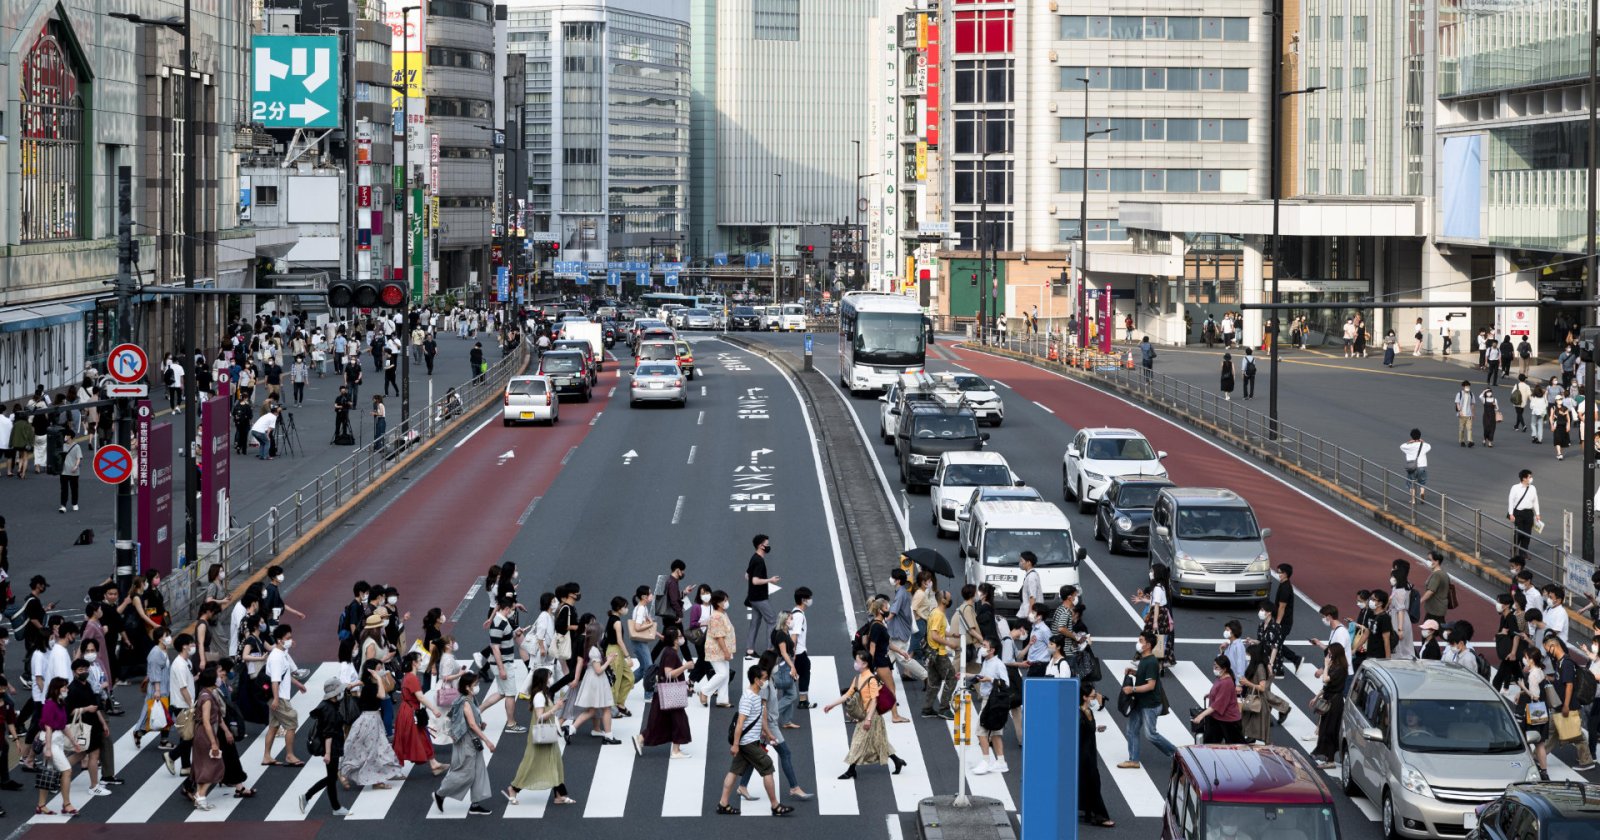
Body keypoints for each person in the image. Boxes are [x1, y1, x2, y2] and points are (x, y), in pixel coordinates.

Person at [731, 651, 814, 805]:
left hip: (768, 725)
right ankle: (794, 787)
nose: (777, 665)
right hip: (768, 726)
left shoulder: (769, 679)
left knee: (753, 757)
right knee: (785, 753)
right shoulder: (764, 684)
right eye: (776, 663)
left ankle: (742, 786)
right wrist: (768, 732)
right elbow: (762, 709)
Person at [822, 652, 906, 781]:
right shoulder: (857, 678)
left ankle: (851, 771)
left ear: (865, 664)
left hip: (872, 717)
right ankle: (897, 761)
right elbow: (847, 695)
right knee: (880, 742)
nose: (855, 664)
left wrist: (868, 719)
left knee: (857, 742)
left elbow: (874, 700)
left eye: (857, 661)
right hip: (866, 716)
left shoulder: (871, 679)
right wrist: (832, 705)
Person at [505, 667, 577, 807]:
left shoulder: (544, 694)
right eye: (549, 677)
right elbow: (540, 717)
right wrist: (555, 708)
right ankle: (513, 788)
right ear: (543, 679)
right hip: (542, 735)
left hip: (548, 734)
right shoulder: (539, 696)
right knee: (532, 762)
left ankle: (559, 795)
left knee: (555, 762)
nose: (551, 679)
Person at [434, 671, 496, 815]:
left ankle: (475, 804)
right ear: (467, 687)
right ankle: (440, 793)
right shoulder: (465, 702)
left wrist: (481, 724)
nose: (478, 686)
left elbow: (474, 723)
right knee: (465, 773)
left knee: (478, 771)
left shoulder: (471, 699)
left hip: (473, 741)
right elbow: (472, 725)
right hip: (467, 742)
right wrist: (487, 741)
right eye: (475, 684)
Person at [1117, 631, 1176, 769]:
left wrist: (1133, 690)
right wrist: (1135, 672)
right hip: (1141, 702)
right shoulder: (1145, 660)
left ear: (1148, 645)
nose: (1138, 643)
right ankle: (1134, 760)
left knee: (1151, 734)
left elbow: (1151, 685)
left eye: (1141, 640)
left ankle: (1175, 753)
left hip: (1150, 704)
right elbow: (1146, 677)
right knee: (1131, 730)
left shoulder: (1150, 662)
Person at [393, 652, 447, 774]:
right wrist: (434, 709)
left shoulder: (408, 676)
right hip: (411, 713)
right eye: (420, 660)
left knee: (422, 736)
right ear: (414, 663)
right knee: (409, 739)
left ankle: (434, 764)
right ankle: (394, 769)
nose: (421, 663)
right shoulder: (412, 678)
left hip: (408, 711)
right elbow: (420, 697)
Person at [36, 677, 76, 816]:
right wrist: (47, 748)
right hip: (51, 740)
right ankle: (66, 804)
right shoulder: (50, 704)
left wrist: (74, 742)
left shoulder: (60, 703)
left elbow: (63, 726)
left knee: (47, 772)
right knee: (67, 770)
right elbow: (47, 726)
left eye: (66, 687)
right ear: (56, 689)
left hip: (56, 740)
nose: (66, 689)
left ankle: (41, 805)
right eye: (63, 687)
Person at [1310, 643, 1348, 768]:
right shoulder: (1336, 666)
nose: (1328, 656)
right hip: (1330, 699)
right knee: (1325, 729)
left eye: (1330, 654)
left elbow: (1325, 679)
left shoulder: (1340, 668)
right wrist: (1316, 697)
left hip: (1335, 703)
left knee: (1330, 730)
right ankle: (1327, 757)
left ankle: (1330, 760)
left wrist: (1326, 665)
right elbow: (1326, 686)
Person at [1191, 654, 1244, 744]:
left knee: (1237, 747)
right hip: (1217, 718)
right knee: (1211, 744)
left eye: (1216, 667)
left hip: (1228, 721)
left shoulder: (1226, 682)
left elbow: (1216, 705)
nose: (1214, 669)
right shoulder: (1221, 677)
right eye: (1214, 666)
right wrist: (1211, 694)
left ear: (1224, 669)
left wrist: (1201, 715)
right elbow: (1221, 692)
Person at [746, 534, 779, 658]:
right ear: (761, 546)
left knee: (755, 622)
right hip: (760, 598)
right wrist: (770, 580)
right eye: (767, 544)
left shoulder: (753, 557)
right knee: (772, 621)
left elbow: (747, 575)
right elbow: (754, 580)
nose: (768, 546)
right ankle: (770, 649)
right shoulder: (759, 561)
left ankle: (750, 650)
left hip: (752, 597)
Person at [1508, 470, 1542, 559]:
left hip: (1529, 513)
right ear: (1524, 478)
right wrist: (1511, 514)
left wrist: (1537, 513)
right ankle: (1514, 548)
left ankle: (1523, 552)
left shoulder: (1533, 488)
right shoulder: (1515, 488)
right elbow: (1511, 501)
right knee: (1519, 532)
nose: (1531, 478)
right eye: (1529, 477)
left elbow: (1535, 501)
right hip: (1518, 513)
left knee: (1527, 534)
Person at [1400, 429, 1431, 504]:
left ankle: (1413, 500)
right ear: (1419, 436)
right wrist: (1422, 441)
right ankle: (1422, 492)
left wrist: (1409, 442)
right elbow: (1429, 446)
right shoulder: (1424, 445)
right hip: (1422, 466)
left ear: (1411, 436)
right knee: (1422, 482)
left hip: (1412, 467)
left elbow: (1401, 446)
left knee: (1411, 483)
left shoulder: (1408, 446)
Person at [56, 433, 81, 513]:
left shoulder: (77, 446)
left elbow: (78, 458)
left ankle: (75, 504)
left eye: (67, 435)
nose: (65, 437)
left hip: (74, 471)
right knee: (64, 489)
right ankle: (63, 505)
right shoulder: (62, 446)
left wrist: (76, 466)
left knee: (74, 489)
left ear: (71, 437)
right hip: (63, 471)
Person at [1454, 380, 1476, 447]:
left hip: (1469, 414)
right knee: (1462, 428)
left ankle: (1470, 441)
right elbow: (1457, 403)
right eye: (1466, 386)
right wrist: (1460, 411)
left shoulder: (1471, 394)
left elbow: (1472, 404)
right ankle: (1462, 441)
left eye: (1468, 386)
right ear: (1463, 387)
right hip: (1462, 414)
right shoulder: (1459, 394)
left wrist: (1473, 413)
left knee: (1469, 428)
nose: (1468, 387)